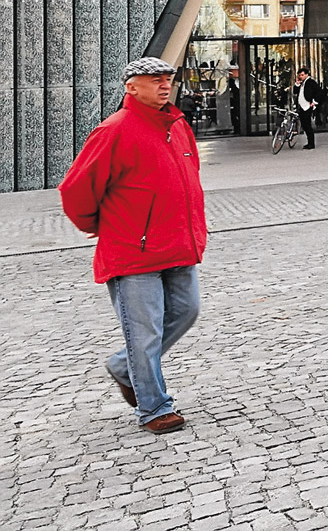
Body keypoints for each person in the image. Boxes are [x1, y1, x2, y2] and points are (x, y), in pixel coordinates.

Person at [58, 57, 207, 434]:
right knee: (145, 332)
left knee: (187, 310)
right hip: (133, 251)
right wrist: (100, 226)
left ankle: (125, 367)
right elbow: (75, 189)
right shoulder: (114, 130)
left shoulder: (178, 126)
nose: (164, 85)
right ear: (131, 87)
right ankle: (154, 407)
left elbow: (189, 179)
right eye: (154, 80)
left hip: (178, 243)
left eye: (167, 79)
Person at [295, 67, 322, 149]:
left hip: (307, 106)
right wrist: (297, 84)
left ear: (306, 74)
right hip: (302, 106)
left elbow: (319, 92)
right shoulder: (302, 83)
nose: (301, 77)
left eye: (302, 75)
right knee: (304, 124)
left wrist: (315, 102)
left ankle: (311, 143)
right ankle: (309, 142)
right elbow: (295, 92)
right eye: (299, 75)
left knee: (307, 125)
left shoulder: (311, 82)